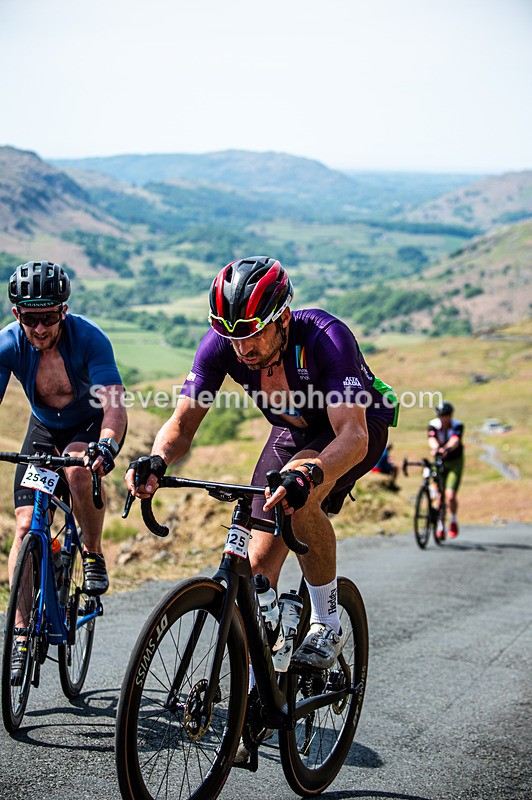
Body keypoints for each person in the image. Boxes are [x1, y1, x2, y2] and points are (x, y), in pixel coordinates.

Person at [126, 255, 398, 672]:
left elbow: (353, 436)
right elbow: (181, 423)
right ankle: (259, 685)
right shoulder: (223, 344)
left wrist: (310, 475)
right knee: (254, 573)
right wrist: (157, 459)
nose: (242, 348)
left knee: (299, 499)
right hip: (294, 430)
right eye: (231, 336)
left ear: (283, 317)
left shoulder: (326, 337)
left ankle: (327, 622)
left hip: (356, 427)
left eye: (253, 335)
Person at [0, 261, 127, 610]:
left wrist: (107, 444)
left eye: (49, 318)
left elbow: (115, 405)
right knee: (25, 526)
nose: (39, 328)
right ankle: (21, 641)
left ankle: (92, 554)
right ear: (16, 313)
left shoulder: (88, 339)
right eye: (29, 319)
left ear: (64, 311)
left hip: (89, 424)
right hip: (43, 427)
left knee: (75, 466)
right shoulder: (8, 343)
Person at [427, 401, 464, 538]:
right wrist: (436, 448)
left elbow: (455, 439)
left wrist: (446, 448)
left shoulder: (457, 425)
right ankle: (440, 526)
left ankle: (453, 520)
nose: (444, 418)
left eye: (446, 415)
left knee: (450, 495)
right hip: (439, 461)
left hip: (455, 462)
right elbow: (431, 438)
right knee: (439, 495)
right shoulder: (433, 425)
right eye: (441, 415)